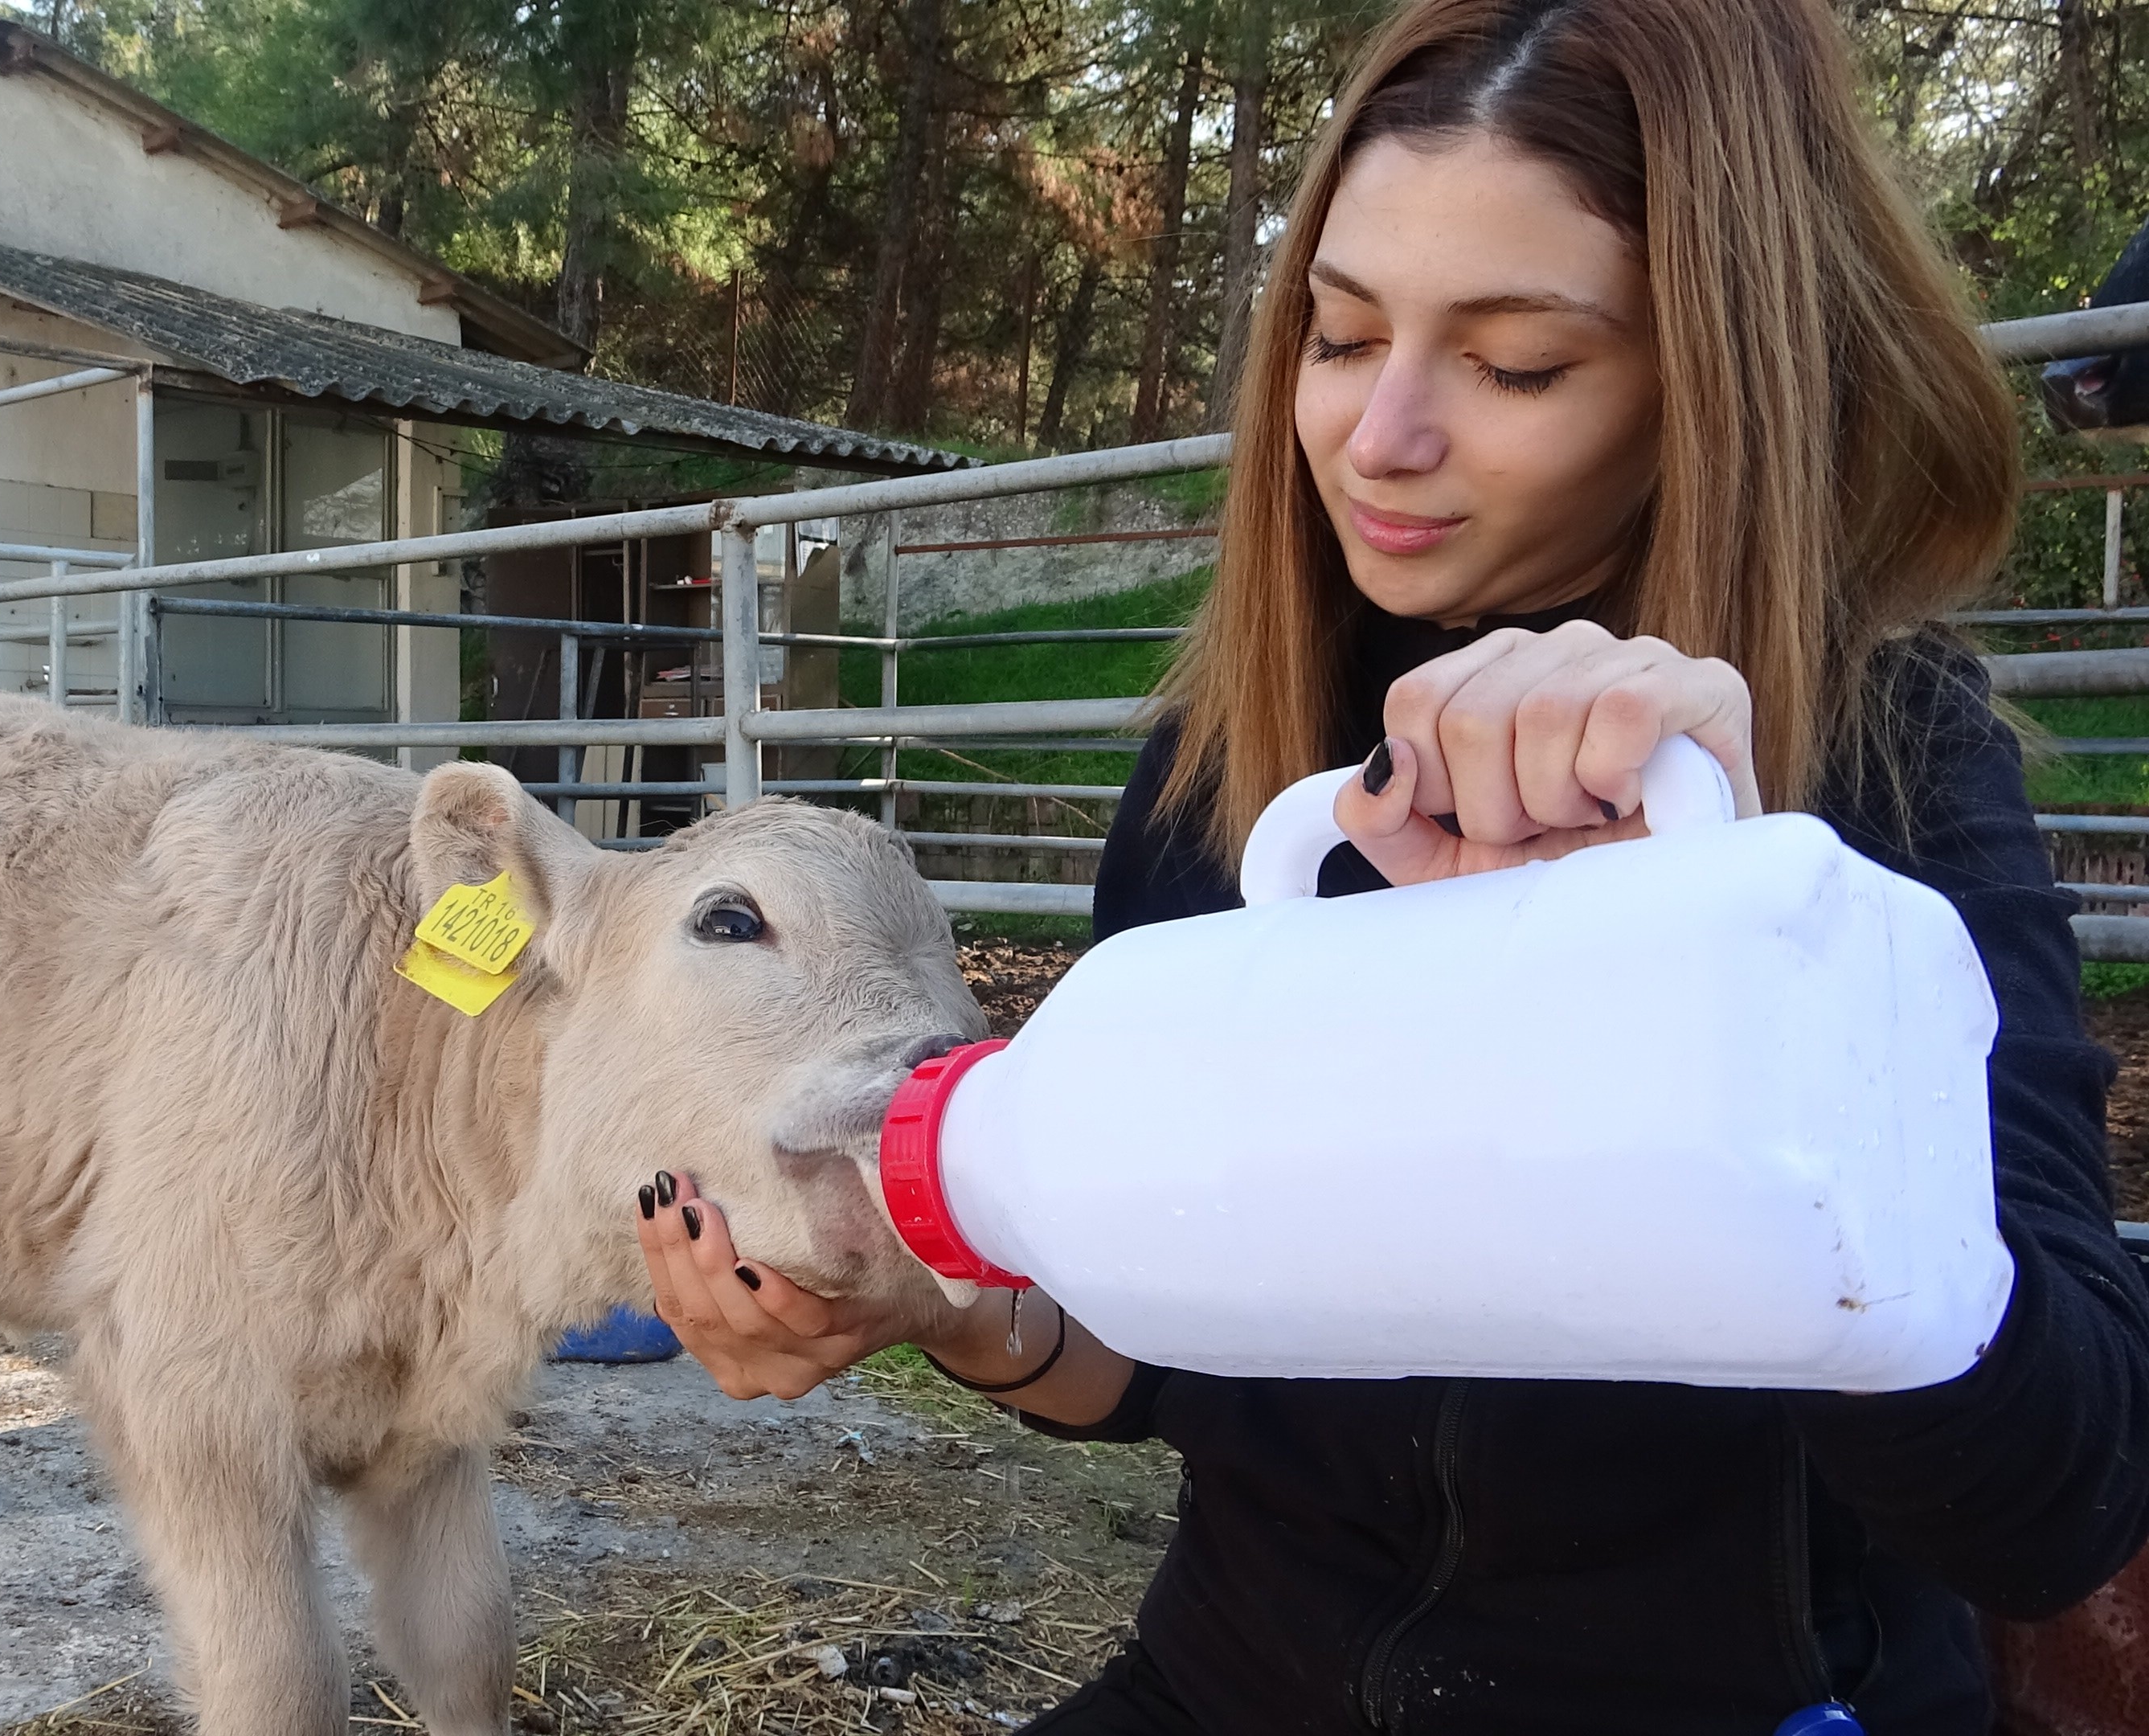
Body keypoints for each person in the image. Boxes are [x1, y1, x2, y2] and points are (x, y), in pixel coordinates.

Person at [632, 0, 2149, 1730]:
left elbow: (2061, 1501)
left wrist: (1713, 990)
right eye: (1341, 339)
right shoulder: (1244, 759)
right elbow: (1197, 1373)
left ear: (1715, 378)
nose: (1378, 438)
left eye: (1514, 366)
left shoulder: (1885, 761)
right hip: (1238, 1677)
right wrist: (958, 1310)